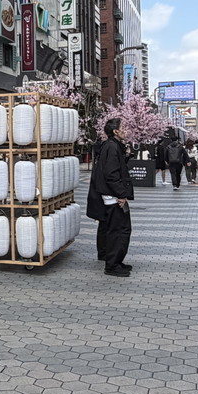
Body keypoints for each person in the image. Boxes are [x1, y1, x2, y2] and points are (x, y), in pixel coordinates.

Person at [85, 118, 135, 277]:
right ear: (115, 131)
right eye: (124, 127)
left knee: (120, 229)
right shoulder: (112, 147)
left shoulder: (113, 146)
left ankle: (117, 261)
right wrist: (121, 194)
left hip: (113, 196)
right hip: (113, 198)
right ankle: (112, 265)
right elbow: (111, 174)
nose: (127, 129)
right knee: (119, 231)